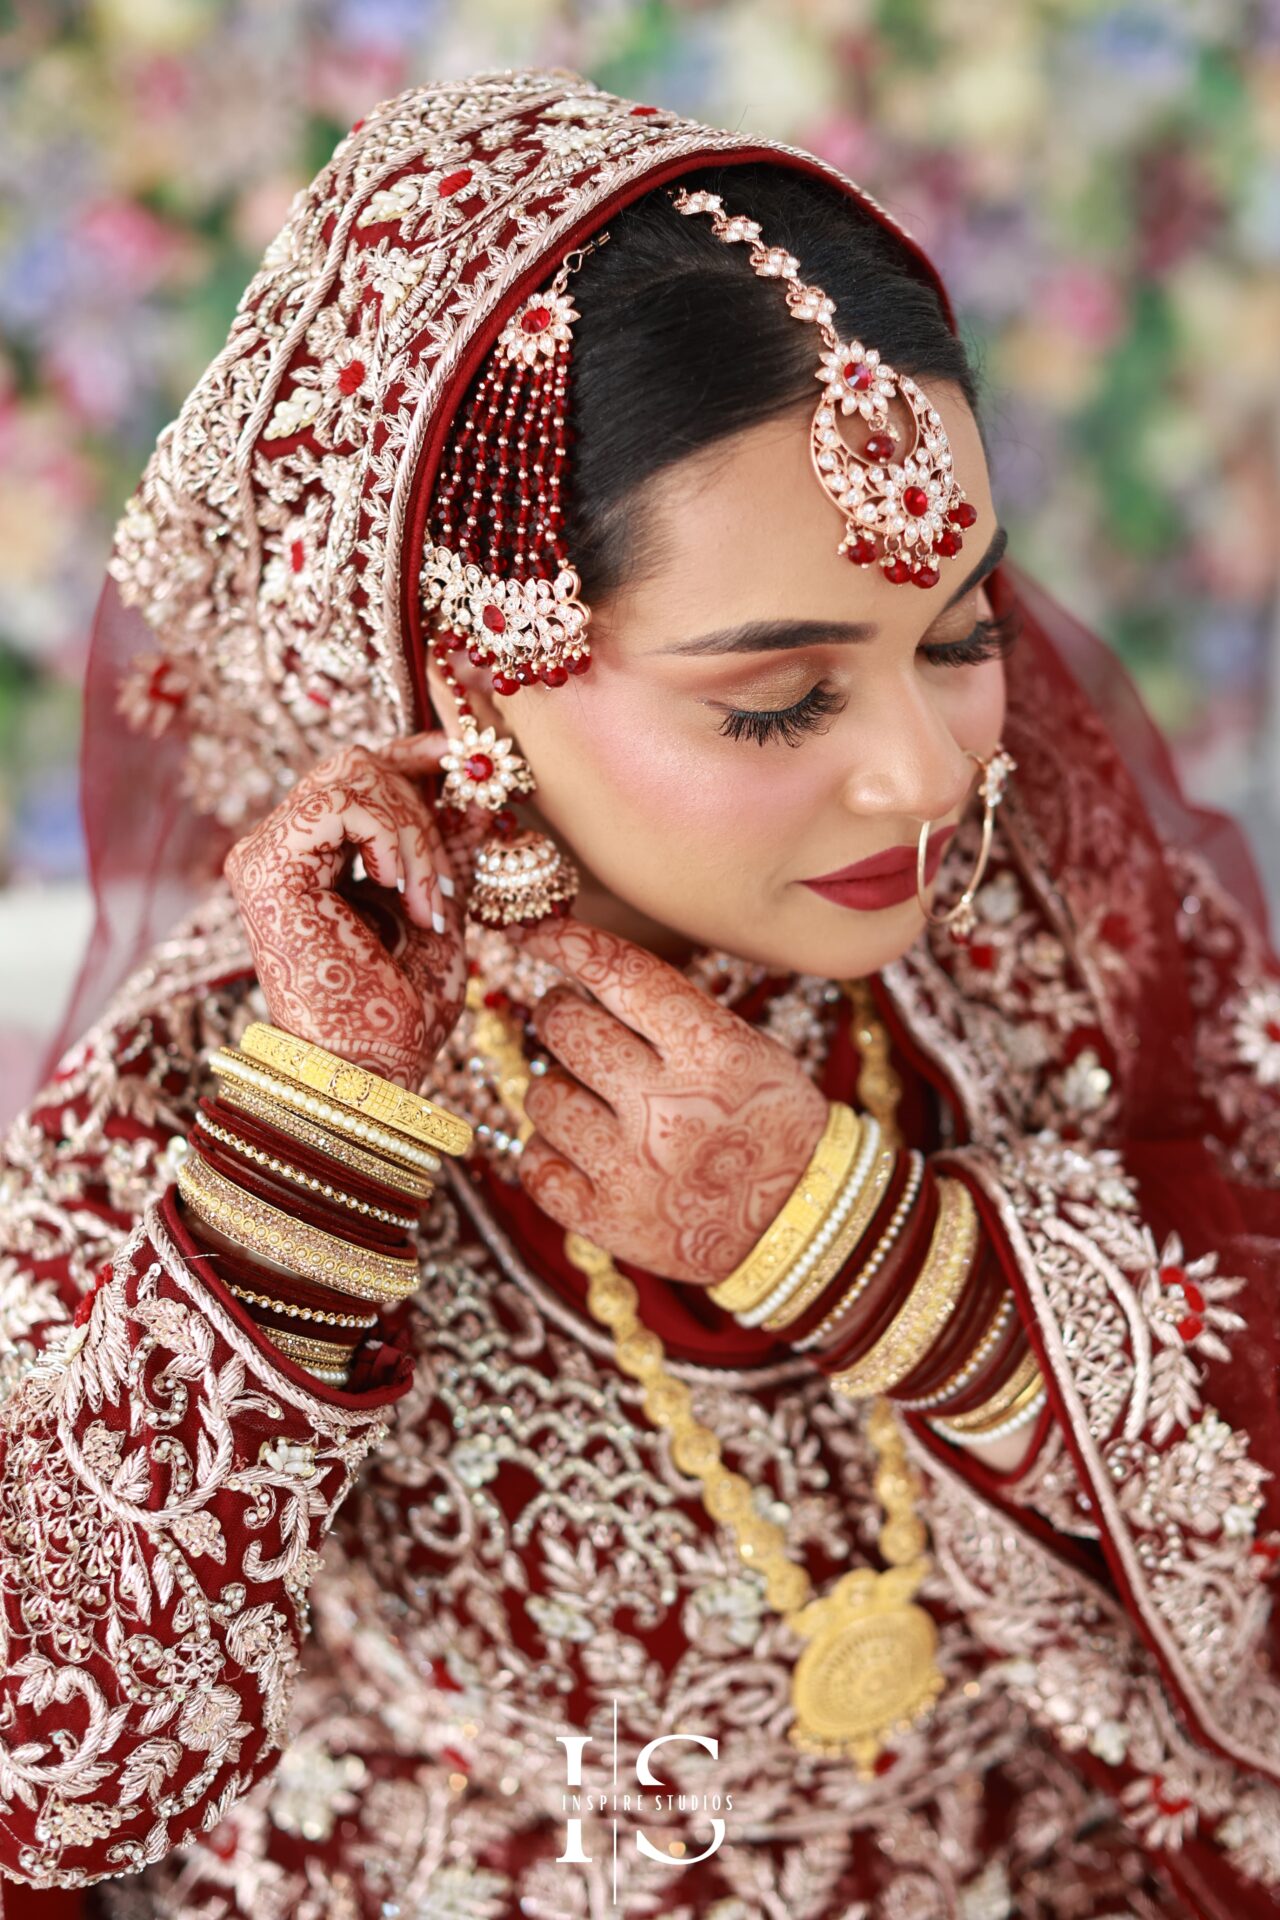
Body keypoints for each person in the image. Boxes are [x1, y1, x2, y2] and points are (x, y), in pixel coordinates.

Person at [1, 67, 1278, 1920]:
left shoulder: (1038, 945)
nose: (926, 775)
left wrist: (878, 1252)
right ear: (468, 684)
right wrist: (313, 1160)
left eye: (963, 636)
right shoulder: (244, 1078)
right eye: (777, 698)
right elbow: (52, 1765)